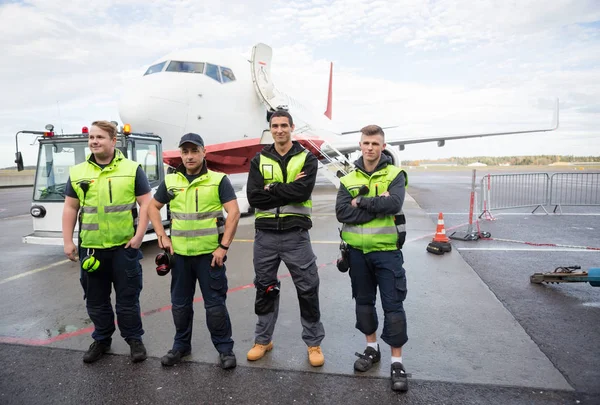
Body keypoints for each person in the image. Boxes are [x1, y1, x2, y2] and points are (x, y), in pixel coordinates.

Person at [147, 133, 240, 369]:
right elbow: (153, 207)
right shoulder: (171, 182)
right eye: (185, 152)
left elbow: (234, 213)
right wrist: (162, 235)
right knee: (180, 306)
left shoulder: (218, 180)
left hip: (210, 258)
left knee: (215, 307)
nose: (189, 156)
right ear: (181, 154)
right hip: (180, 258)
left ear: (203, 152)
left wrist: (223, 247)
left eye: (194, 151)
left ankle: (225, 349)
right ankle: (181, 346)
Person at [62, 120, 152, 364]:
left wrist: (139, 235)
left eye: (100, 137)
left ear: (114, 141)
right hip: (91, 249)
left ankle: (134, 339)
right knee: (95, 301)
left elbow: (146, 203)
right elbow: (71, 207)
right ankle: (102, 339)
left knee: (127, 300)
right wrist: (68, 241)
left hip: (124, 248)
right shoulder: (78, 172)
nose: (94, 141)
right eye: (91, 137)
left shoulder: (132, 169)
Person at [245, 110, 325, 367]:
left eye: (283, 125)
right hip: (265, 236)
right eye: (274, 126)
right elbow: (254, 197)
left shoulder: (306, 158)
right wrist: (286, 189)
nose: (279, 130)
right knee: (265, 288)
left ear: (292, 127)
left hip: (296, 235)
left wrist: (271, 188)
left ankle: (313, 344)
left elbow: (302, 193)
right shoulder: (259, 159)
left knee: (308, 288)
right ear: (270, 129)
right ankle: (263, 340)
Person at [335, 124, 409, 392]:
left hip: (387, 252)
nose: (370, 148)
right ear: (360, 145)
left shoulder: (395, 174)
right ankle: (371, 348)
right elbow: (342, 213)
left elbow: (394, 204)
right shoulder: (348, 178)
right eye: (366, 143)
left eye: (375, 144)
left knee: (393, 306)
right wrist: (376, 204)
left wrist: (361, 202)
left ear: (383, 147)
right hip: (356, 253)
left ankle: (397, 362)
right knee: (364, 304)